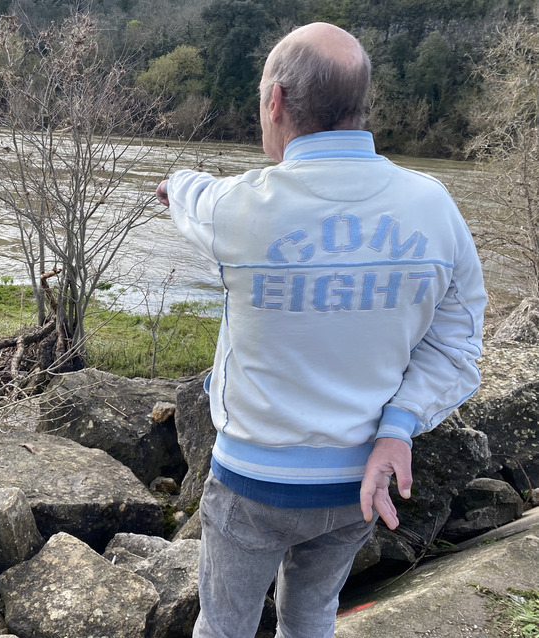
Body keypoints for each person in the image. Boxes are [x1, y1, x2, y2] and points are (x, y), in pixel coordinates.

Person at [155, 22, 486, 638]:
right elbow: (460, 344)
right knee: (311, 619)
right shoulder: (435, 206)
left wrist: (173, 184)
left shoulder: (239, 206)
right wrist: (400, 428)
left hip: (252, 483)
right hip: (360, 481)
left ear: (275, 101)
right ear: (362, 104)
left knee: (222, 629)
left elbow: (192, 196)